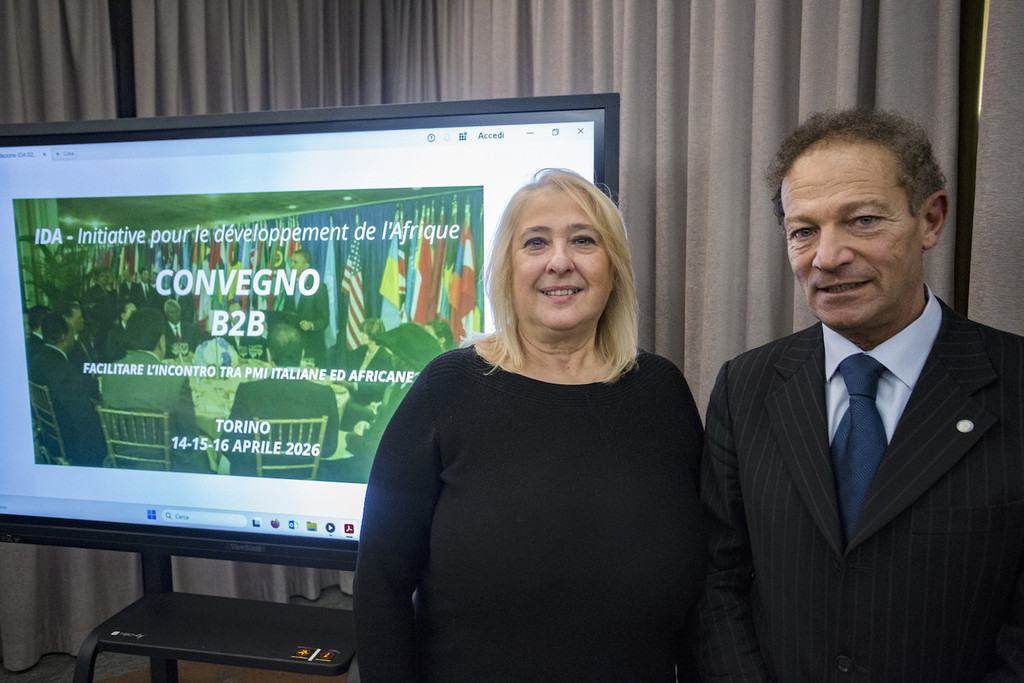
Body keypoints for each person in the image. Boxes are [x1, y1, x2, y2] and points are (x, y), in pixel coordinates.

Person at [697, 110, 1024, 680]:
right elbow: (715, 581)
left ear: (930, 219)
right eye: (804, 231)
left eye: (863, 220)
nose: (827, 257)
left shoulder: (1013, 382)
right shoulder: (744, 387)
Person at [354, 169, 706, 681]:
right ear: (507, 270)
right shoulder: (447, 388)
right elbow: (380, 585)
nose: (559, 261)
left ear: (613, 268)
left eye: (583, 240)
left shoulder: (662, 391)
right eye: (536, 242)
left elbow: (705, 586)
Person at [223, 322, 340, 477]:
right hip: (305, 477)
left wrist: (263, 462)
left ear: (268, 355)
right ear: (302, 354)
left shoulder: (247, 391)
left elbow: (229, 446)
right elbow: (329, 449)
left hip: (257, 480)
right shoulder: (325, 394)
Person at [101, 307, 208, 473]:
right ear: (161, 341)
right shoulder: (176, 380)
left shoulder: (109, 374)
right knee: (204, 454)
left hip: (121, 464)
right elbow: (189, 437)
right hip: (167, 468)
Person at [28, 312, 106, 467]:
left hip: (49, 434)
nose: (74, 337)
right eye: (71, 332)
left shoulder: (38, 360)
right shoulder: (63, 371)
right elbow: (83, 417)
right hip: (72, 443)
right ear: (64, 336)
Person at [280, 247, 330, 365]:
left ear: (306, 265)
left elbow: (324, 320)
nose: (292, 265)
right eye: (291, 262)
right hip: (292, 347)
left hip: (312, 347)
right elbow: (286, 314)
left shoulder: (319, 287)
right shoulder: (289, 285)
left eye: (295, 262)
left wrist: (311, 325)